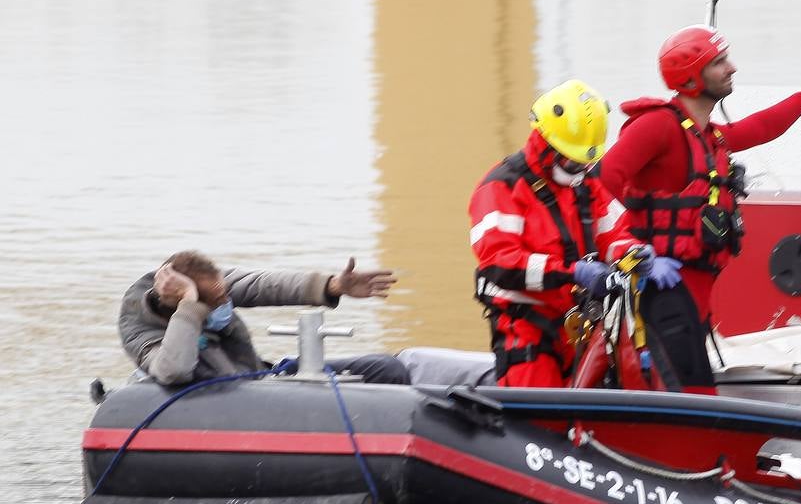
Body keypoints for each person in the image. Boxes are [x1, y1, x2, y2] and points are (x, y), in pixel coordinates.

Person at [598, 24, 801, 393]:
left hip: (696, 293)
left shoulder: (706, 135)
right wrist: (630, 250)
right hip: (663, 288)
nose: (731, 68)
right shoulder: (657, 127)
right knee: (694, 393)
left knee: (698, 388)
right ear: (691, 78)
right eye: (719, 63)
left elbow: (758, 128)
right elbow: (600, 181)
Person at [469, 79, 679, 387]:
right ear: (545, 144)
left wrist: (633, 253)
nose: (579, 169)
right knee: (540, 414)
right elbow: (500, 263)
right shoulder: (502, 188)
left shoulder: (584, 184)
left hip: (581, 323)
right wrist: (572, 273)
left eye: (586, 162)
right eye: (571, 160)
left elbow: (612, 233)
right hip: (527, 327)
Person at [119, 250, 408, 386]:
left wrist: (332, 285)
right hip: (231, 398)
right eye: (217, 300)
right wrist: (190, 309)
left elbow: (262, 284)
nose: (226, 302)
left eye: (225, 292)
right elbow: (172, 370)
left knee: (385, 369)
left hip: (260, 376)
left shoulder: (212, 285)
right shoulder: (140, 328)